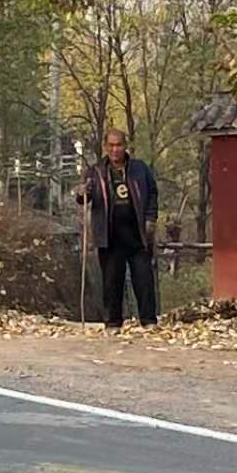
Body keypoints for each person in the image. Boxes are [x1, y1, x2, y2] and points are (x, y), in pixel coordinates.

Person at [76, 129, 159, 330]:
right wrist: (81, 192)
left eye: (119, 145)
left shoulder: (140, 169)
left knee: (144, 278)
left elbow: (152, 194)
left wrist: (150, 219)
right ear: (105, 147)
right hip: (109, 235)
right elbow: (82, 199)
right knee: (112, 281)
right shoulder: (96, 171)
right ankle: (112, 323)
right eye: (111, 145)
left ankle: (148, 321)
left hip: (137, 233)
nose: (115, 150)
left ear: (125, 146)